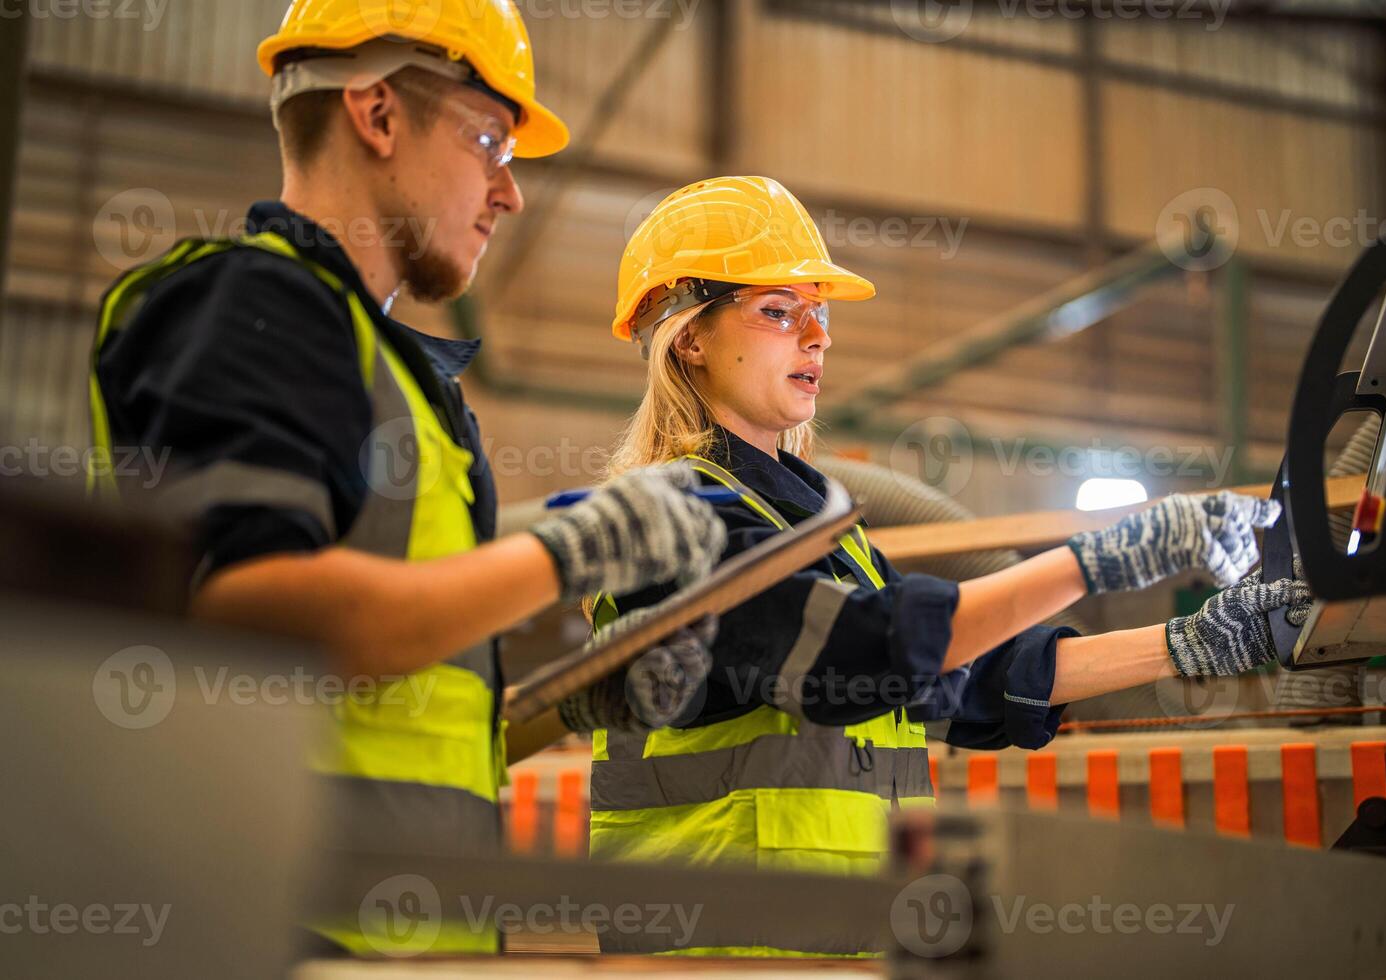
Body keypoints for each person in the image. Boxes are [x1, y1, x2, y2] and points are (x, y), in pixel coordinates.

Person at [86, 0, 725, 957]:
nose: (509, 193)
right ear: (378, 115)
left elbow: (403, 712)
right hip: (279, 936)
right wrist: (571, 551)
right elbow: (249, 615)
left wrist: (576, 701)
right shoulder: (250, 308)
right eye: (489, 141)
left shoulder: (400, 380)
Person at [578, 175, 1312, 957]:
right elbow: (861, 649)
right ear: (687, 337)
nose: (818, 336)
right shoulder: (668, 523)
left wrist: (1196, 642)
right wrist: (1096, 562)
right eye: (778, 311)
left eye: (818, 313)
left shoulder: (823, 535)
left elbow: (980, 677)